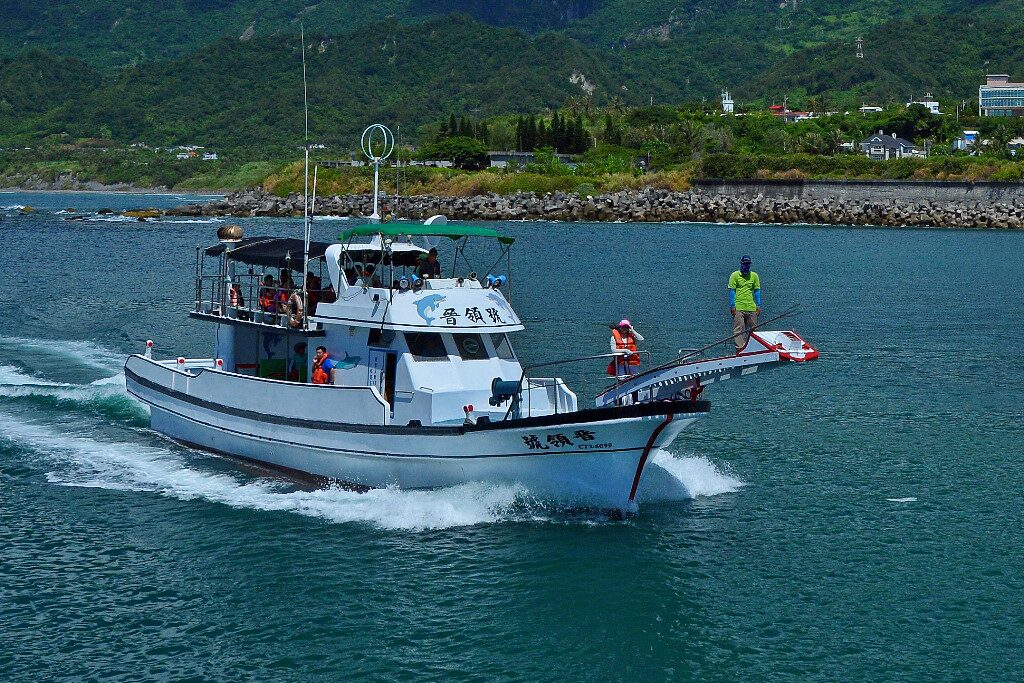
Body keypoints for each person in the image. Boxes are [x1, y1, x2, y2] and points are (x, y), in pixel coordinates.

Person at [729, 254, 762, 354]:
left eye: (748, 264)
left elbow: (757, 291)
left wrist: (758, 305)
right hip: (738, 307)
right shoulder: (735, 275)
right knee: (739, 329)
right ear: (741, 264)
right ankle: (740, 349)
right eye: (744, 264)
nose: (746, 266)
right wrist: (732, 305)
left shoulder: (754, 276)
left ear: (750, 264)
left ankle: (753, 349)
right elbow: (732, 291)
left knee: (753, 330)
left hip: (751, 307)